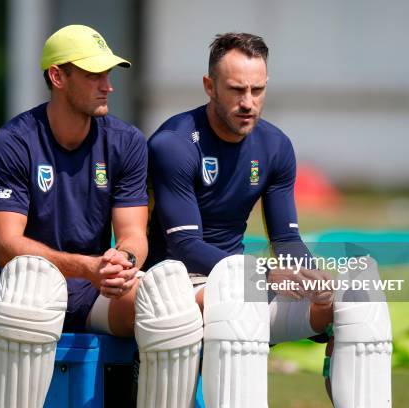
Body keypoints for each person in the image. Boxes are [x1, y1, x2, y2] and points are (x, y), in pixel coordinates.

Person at [140, 32, 392, 408]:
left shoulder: (275, 146)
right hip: (178, 286)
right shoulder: (174, 143)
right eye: (236, 90)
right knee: (239, 304)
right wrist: (264, 275)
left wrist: (310, 276)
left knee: (358, 299)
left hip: (241, 284)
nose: (248, 103)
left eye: (257, 90)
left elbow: (286, 239)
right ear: (210, 87)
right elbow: (185, 246)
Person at [0, 25, 148, 407]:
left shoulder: (126, 142)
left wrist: (124, 261)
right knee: (29, 294)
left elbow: (134, 232)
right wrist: (88, 267)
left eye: (108, 74)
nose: (108, 86)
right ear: (58, 77)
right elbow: (7, 247)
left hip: (91, 286)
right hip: (19, 285)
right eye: (93, 75)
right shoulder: (14, 142)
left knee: (166, 308)